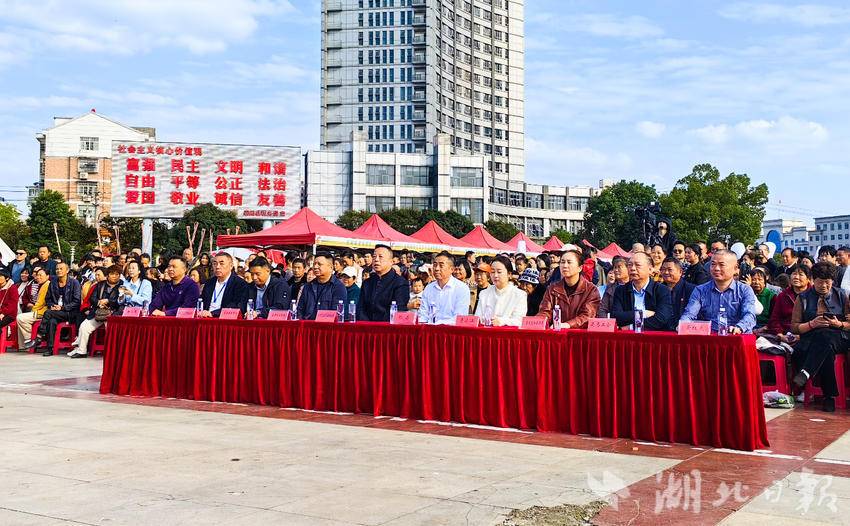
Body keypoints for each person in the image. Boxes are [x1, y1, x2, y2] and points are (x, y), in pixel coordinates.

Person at [790, 262, 850, 412]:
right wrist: (812, 324)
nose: (823, 286)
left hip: (839, 336)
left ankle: (806, 372)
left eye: (827, 282)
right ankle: (829, 397)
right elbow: (795, 327)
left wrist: (839, 324)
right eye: (820, 282)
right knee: (825, 347)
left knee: (825, 337)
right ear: (812, 280)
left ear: (832, 281)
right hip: (812, 337)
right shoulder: (802, 298)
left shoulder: (841, 295)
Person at [680, 250, 758, 334]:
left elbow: (749, 315)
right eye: (713, 264)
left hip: (736, 336)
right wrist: (682, 325)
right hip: (710, 337)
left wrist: (739, 327)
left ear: (735, 268)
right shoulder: (700, 290)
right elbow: (689, 314)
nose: (716, 268)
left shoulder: (745, 290)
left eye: (722, 265)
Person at [23, 261, 82, 356]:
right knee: (52, 321)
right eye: (57, 269)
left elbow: (76, 301)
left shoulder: (74, 283)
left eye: (61, 269)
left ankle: (39, 337)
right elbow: (48, 299)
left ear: (67, 270)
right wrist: (52, 306)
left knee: (48, 313)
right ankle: (50, 348)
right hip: (55, 311)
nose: (58, 270)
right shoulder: (53, 283)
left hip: (69, 312)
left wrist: (62, 307)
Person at [68, 265, 122, 358]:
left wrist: (108, 301)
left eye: (117, 274)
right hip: (98, 312)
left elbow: (121, 301)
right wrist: (99, 302)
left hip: (113, 313)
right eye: (112, 274)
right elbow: (92, 298)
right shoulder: (100, 285)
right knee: (84, 327)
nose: (115, 276)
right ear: (107, 275)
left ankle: (112, 353)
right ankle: (82, 351)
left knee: (111, 330)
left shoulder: (122, 285)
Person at [537, 249, 600, 329]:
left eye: (569, 262)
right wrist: (539, 322)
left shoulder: (591, 290)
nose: (565, 266)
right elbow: (545, 312)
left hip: (580, 335)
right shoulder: (552, 288)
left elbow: (587, 316)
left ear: (580, 268)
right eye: (562, 262)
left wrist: (568, 325)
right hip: (557, 334)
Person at [611, 252, 673, 330]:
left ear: (650, 269)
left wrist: (631, 327)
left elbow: (661, 319)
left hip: (653, 336)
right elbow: (616, 316)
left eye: (638, 265)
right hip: (628, 336)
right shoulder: (620, 290)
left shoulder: (662, 290)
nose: (633, 268)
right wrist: (643, 313)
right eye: (630, 265)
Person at [357, 245, 409, 322]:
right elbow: (360, 308)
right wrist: (367, 324)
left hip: (387, 326)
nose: (376, 260)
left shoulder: (400, 283)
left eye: (380, 257)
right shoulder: (367, 283)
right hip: (366, 326)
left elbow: (398, 310)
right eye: (374, 257)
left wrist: (377, 326)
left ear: (391, 262)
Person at [418, 251, 471, 324]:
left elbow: (459, 317)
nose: (436, 269)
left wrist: (438, 325)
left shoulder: (461, 288)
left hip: (450, 329)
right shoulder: (429, 288)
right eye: (435, 265)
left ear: (451, 269)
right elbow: (423, 314)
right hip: (429, 328)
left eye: (441, 266)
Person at [474, 255, 527, 326]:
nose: (495, 275)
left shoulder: (520, 295)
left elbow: (519, 321)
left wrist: (502, 321)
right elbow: (477, 318)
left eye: (499, 272)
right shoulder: (484, 293)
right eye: (492, 272)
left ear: (509, 274)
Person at [763, 264, 810, 340]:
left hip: (806, 335)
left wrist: (801, 336)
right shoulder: (783, 295)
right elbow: (775, 319)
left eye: (801, 274)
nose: (796, 277)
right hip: (785, 334)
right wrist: (780, 335)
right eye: (794, 274)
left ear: (808, 279)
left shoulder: (813, 296)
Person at [297, 253, 348, 321]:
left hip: (327, 325)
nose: (315, 267)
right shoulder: (308, 286)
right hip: (307, 325)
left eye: (319, 264)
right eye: (314, 264)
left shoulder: (338, 287)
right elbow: (300, 310)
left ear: (331, 267)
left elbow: (337, 313)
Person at [198, 253, 250, 317]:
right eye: (215, 264)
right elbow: (202, 301)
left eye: (221, 263)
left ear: (231, 266)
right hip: (205, 317)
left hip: (225, 319)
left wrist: (213, 313)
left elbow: (237, 306)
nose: (217, 267)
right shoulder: (209, 282)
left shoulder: (240, 283)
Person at [15, 267, 49, 349]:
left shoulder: (47, 285)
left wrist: (33, 310)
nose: (38, 277)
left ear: (47, 276)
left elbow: (40, 303)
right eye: (37, 275)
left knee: (20, 318)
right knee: (19, 319)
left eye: (41, 275)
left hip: (42, 312)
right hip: (37, 309)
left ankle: (30, 339)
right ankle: (23, 346)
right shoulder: (39, 284)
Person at [660, 257, 694, 326]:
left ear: (680, 272)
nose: (666, 272)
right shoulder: (658, 288)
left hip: (683, 327)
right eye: (663, 269)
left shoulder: (691, 289)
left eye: (670, 270)